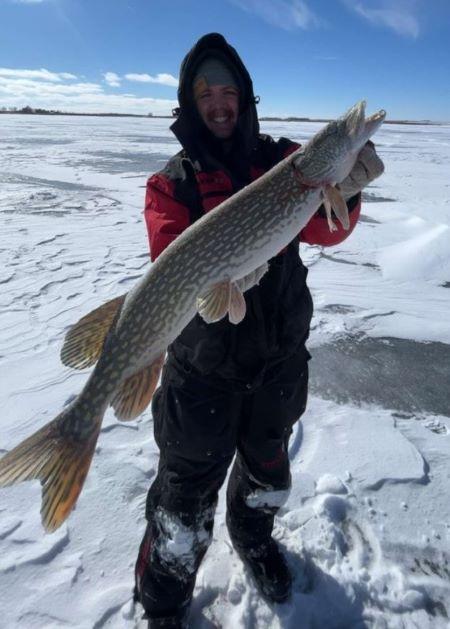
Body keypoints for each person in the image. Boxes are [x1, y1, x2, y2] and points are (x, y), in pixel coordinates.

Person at [134, 32, 384, 628]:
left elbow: (325, 230)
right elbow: (171, 257)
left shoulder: (285, 160)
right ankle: (164, 599)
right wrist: (220, 279)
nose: (219, 103)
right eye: (206, 94)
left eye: (229, 92)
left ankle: (253, 537)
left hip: (276, 361)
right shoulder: (171, 183)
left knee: (268, 470)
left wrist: (347, 191)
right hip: (201, 376)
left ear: (245, 99)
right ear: (190, 104)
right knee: (183, 500)